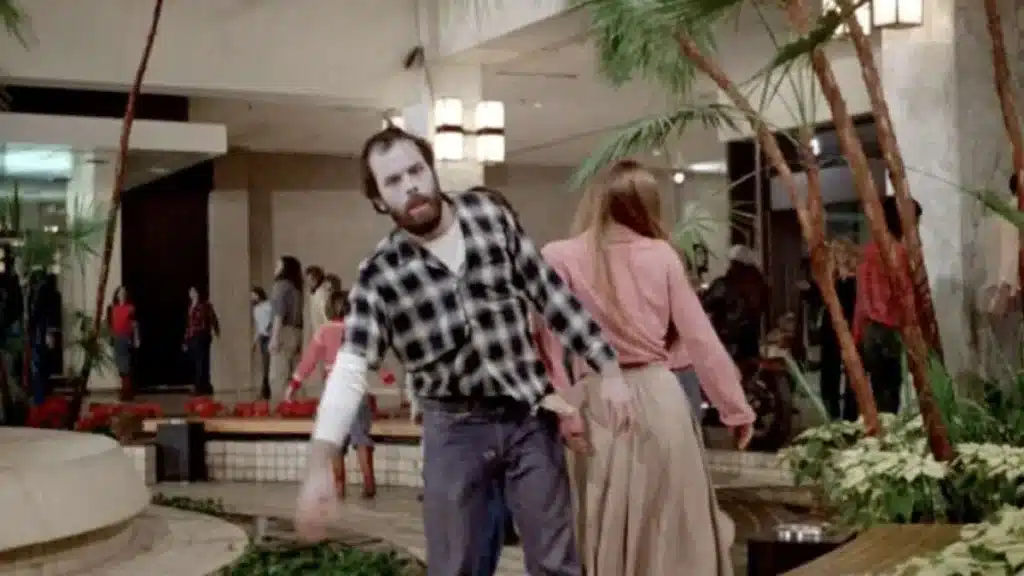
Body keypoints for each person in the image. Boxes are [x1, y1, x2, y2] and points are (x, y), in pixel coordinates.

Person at [294, 126, 632, 576]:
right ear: (378, 200)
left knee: (557, 564)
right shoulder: (381, 274)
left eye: (416, 170)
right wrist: (320, 462)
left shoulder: (489, 216)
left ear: (431, 170)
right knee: (456, 567)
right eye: (393, 181)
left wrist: (608, 367)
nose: (411, 185)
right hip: (453, 432)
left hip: (528, 418)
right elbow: (350, 368)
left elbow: (549, 293)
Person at [537, 160, 755, 576]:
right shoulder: (662, 256)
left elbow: (545, 345)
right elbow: (700, 338)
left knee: (605, 517)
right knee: (669, 522)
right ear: (648, 204)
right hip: (661, 397)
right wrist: (735, 409)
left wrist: (565, 409)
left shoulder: (559, 256)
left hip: (597, 401)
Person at [287, 290, 376, 499]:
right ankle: (369, 484)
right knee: (361, 438)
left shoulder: (324, 331)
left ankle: (339, 487)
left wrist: (293, 384)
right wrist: (388, 378)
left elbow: (309, 360)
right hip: (357, 389)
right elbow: (375, 359)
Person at [852, 195, 921, 415]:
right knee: (890, 396)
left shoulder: (868, 251)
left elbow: (861, 299)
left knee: (877, 393)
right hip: (888, 330)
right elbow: (906, 297)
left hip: (869, 331)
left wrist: (856, 336)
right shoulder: (899, 253)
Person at [804, 238, 859, 421]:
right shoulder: (842, 280)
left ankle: (840, 413)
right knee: (840, 371)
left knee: (838, 372)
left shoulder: (840, 281)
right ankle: (842, 413)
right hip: (843, 328)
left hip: (841, 328)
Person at [269, 255, 304, 402]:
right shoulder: (297, 288)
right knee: (295, 375)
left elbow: (279, 313)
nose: (275, 269)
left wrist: (274, 337)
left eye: (278, 266)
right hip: (297, 332)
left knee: (278, 375)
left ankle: (280, 407)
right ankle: (298, 407)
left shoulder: (280, 286)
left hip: (283, 332)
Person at [183, 286, 219, 396]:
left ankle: (200, 387)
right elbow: (189, 324)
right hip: (193, 336)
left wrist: (216, 331)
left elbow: (213, 318)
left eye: (193, 291)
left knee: (202, 361)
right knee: (198, 362)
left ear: (198, 293)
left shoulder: (205, 305)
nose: (191, 293)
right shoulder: (191, 307)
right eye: (190, 291)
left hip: (202, 335)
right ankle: (205, 385)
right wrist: (185, 340)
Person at [107, 285, 139, 402]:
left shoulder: (130, 308)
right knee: (120, 365)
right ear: (117, 294)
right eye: (120, 292)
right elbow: (110, 325)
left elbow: (135, 325)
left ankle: (127, 391)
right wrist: (111, 338)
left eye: (124, 292)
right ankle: (125, 389)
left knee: (126, 365)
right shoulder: (112, 308)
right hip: (116, 338)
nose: (122, 294)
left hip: (126, 338)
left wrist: (136, 338)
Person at [251, 287, 273, 400]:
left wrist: (270, 326)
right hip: (263, 338)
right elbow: (259, 327)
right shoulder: (255, 309)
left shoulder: (268, 305)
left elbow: (274, 317)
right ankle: (265, 391)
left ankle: (265, 391)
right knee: (265, 365)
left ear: (259, 295)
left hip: (270, 337)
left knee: (267, 364)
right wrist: (254, 342)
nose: (252, 298)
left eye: (253, 295)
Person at [306, 265, 331, 337]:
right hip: (319, 333)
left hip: (324, 334)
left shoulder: (322, 293)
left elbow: (326, 316)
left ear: (316, 279)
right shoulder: (315, 294)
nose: (308, 283)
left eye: (310, 280)